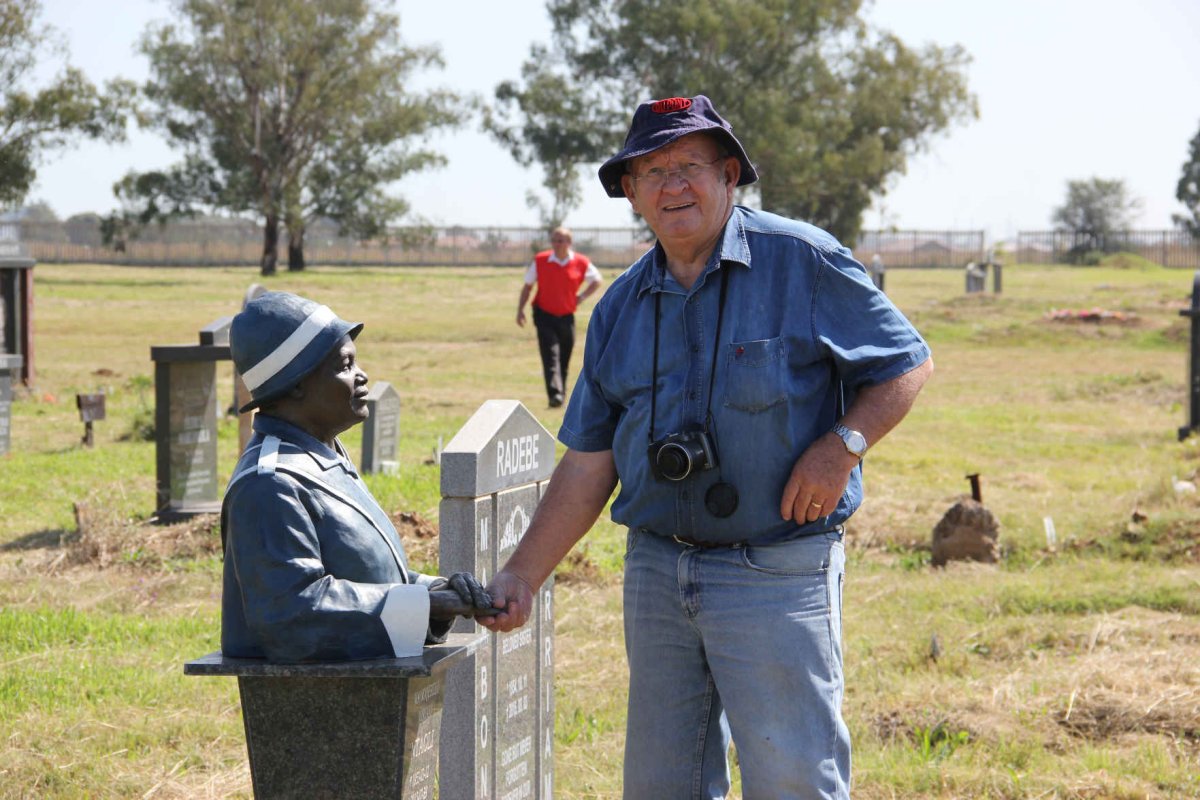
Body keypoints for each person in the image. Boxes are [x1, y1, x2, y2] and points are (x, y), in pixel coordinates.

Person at [481, 96, 933, 798]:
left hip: (777, 566)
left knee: (792, 781)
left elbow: (906, 363)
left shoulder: (802, 262)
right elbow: (588, 460)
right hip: (659, 574)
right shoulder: (620, 309)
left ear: (729, 175)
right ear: (630, 192)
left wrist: (840, 446)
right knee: (664, 784)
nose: (672, 185)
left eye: (689, 165)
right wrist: (522, 575)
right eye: (652, 170)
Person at [221, 291, 494, 663]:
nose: (362, 376)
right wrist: (424, 603)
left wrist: (439, 591)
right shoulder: (270, 483)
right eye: (345, 365)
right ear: (296, 383)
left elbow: (365, 576)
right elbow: (291, 613)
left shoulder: (322, 456)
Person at [516, 226, 603, 407]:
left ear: (569, 243)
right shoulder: (540, 260)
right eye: (554, 240)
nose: (557, 244)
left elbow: (597, 280)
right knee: (550, 355)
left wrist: (582, 297)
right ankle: (554, 395)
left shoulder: (580, 262)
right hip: (544, 314)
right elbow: (528, 286)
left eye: (561, 240)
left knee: (565, 355)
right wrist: (520, 309)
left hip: (567, 315)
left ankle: (560, 394)